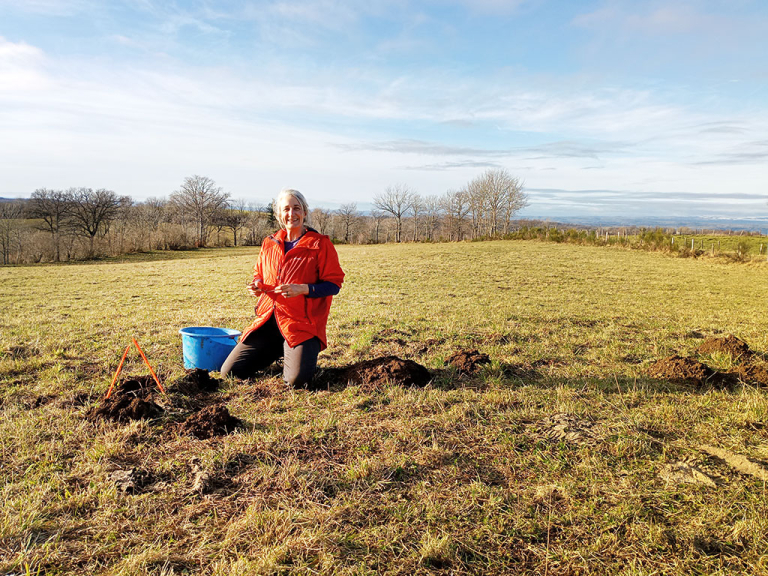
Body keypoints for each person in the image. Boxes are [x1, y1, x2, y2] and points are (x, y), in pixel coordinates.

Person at [221, 189, 345, 387]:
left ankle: (296, 352)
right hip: (268, 321)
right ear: (279, 214)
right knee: (230, 372)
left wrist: (303, 289)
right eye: (286, 209)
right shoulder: (269, 243)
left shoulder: (320, 244)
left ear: (304, 212)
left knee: (296, 381)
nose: (291, 214)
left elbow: (334, 284)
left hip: (302, 325)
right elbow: (259, 274)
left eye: (296, 208)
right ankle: (279, 349)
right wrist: (256, 286)